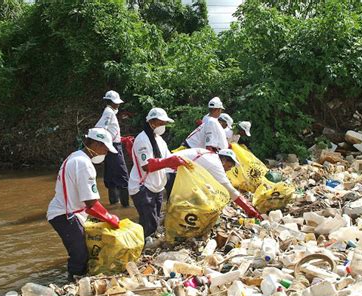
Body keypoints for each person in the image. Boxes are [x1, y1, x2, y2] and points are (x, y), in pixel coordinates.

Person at [47, 128, 120, 281]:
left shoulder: (76, 157)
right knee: (79, 253)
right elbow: (91, 203)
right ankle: (73, 281)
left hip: (69, 211)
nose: (105, 153)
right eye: (105, 149)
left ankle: (77, 277)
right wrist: (111, 219)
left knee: (83, 248)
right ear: (95, 144)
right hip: (64, 214)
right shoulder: (83, 164)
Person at [129, 108, 190, 238]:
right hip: (143, 188)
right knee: (149, 225)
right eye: (161, 123)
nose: (163, 126)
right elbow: (146, 165)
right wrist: (169, 162)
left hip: (157, 188)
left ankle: (145, 245)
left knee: (154, 222)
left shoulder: (159, 140)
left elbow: (168, 159)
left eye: (164, 124)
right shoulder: (142, 140)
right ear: (152, 122)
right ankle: (144, 249)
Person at [166, 148, 262, 219]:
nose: (228, 169)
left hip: (168, 171)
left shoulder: (210, 155)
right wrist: (249, 209)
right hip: (170, 175)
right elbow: (230, 191)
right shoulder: (215, 164)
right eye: (229, 166)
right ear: (224, 160)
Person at [95, 90, 131, 208]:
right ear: (111, 102)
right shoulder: (109, 113)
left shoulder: (109, 112)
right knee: (123, 176)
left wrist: (121, 138)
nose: (118, 105)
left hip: (112, 146)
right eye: (117, 103)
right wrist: (108, 141)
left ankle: (114, 204)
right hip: (114, 148)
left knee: (110, 176)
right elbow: (100, 128)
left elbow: (109, 130)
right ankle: (126, 206)